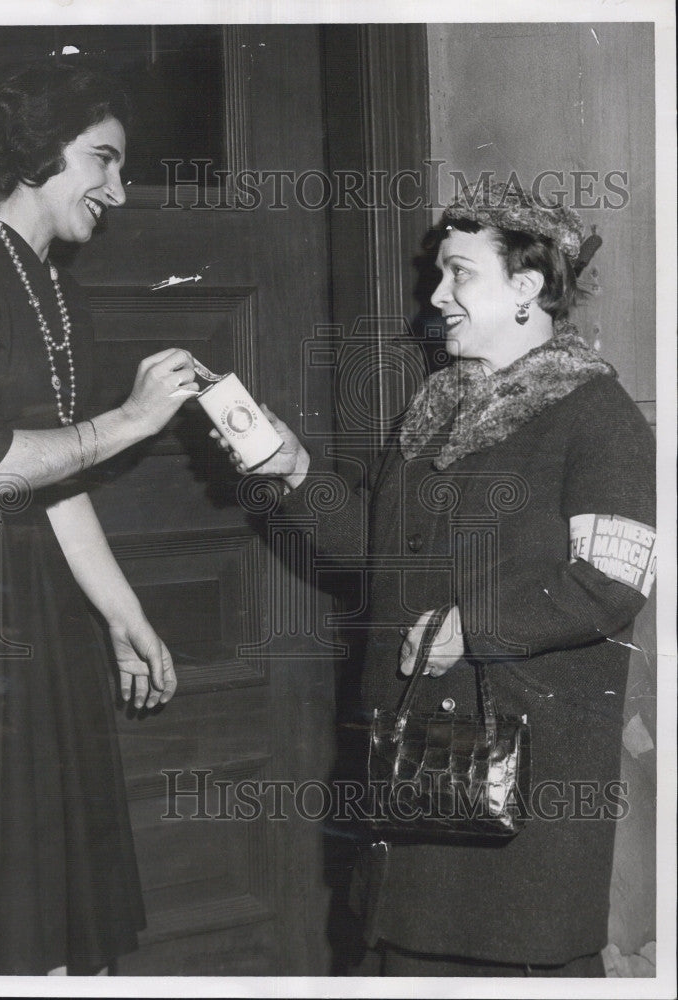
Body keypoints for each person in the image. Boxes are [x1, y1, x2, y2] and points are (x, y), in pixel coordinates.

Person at [213, 182, 656, 976]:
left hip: (520, 787)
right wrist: (294, 469)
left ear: (526, 289)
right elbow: (377, 552)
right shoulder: (435, 406)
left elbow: (611, 585)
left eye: (458, 274)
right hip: (418, 768)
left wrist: (473, 628)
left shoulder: (598, 416)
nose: (435, 296)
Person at [0, 64, 200, 975]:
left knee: (57, 919)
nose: (118, 189)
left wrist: (121, 612)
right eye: (102, 161)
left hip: (40, 605)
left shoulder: (49, 282)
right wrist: (132, 420)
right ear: (38, 151)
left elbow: (55, 472)